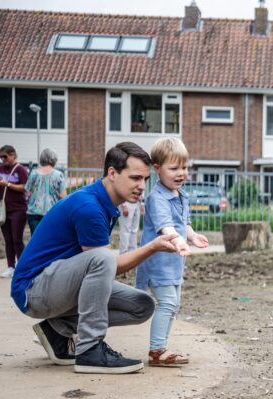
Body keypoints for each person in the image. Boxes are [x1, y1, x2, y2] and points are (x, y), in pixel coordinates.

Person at [11, 142, 179, 374]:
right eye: (135, 178)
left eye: (145, 180)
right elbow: (107, 264)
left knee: (142, 305)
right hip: (33, 291)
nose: (142, 186)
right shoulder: (89, 207)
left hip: (56, 285)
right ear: (112, 173)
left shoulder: (102, 202)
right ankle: (90, 349)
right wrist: (152, 247)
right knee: (102, 258)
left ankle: (56, 331)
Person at [136, 137, 209, 367]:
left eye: (185, 167)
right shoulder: (157, 199)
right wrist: (178, 240)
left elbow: (181, 224)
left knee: (173, 304)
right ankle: (157, 350)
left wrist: (192, 236)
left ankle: (161, 347)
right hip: (158, 263)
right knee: (167, 303)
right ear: (157, 169)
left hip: (174, 262)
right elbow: (166, 227)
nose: (181, 173)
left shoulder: (181, 195)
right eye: (174, 168)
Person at [0, 145, 30, 278]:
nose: (2, 159)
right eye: (0, 157)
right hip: (4, 209)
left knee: (17, 239)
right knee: (8, 240)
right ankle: (10, 266)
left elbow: (25, 187)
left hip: (18, 209)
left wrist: (6, 184)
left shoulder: (21, 169)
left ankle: (22, 266)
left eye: (5, 156)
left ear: (13, 155)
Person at [24, 148, 67, 235]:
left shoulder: (33, 173)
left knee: (35, 240)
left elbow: (27, 192)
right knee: (49, 240)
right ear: (54, 159)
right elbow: (63, 197)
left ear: (41, 159)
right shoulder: (59, 175)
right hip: (52, 212)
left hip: (33, 212)